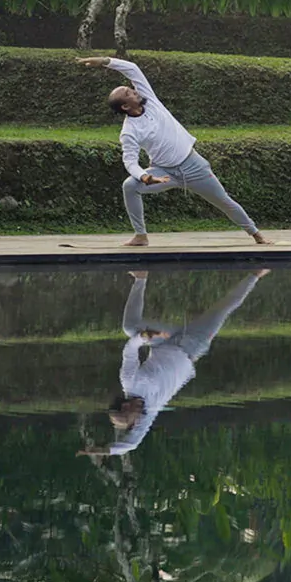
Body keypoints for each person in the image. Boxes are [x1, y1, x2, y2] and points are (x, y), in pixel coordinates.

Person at [77, 54, 273, 247]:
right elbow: (130, 161)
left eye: (131, 89)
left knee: (223, 200)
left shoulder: (150, 100)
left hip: (193, 166)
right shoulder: (129, 131)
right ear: (126, 106)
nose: (134, 92)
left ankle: (255, 234)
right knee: (130, 186)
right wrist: (145, 177)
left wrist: (104, 61)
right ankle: (140, 236)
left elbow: (133, 69)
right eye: (129, 94)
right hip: (163, 172)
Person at [81, 270, 267, 458]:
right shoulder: (150, 411)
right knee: (223, 309)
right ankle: (257, 273)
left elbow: (129, 351)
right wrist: (104, 450)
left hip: (163, 341)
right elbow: (132, 444)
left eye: (131, 418)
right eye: (133, 422)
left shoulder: (129, 382)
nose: (136, 421)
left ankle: (140, 277)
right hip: (192, 346)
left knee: (130, 328)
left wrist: (144, 337)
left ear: (125, 407)